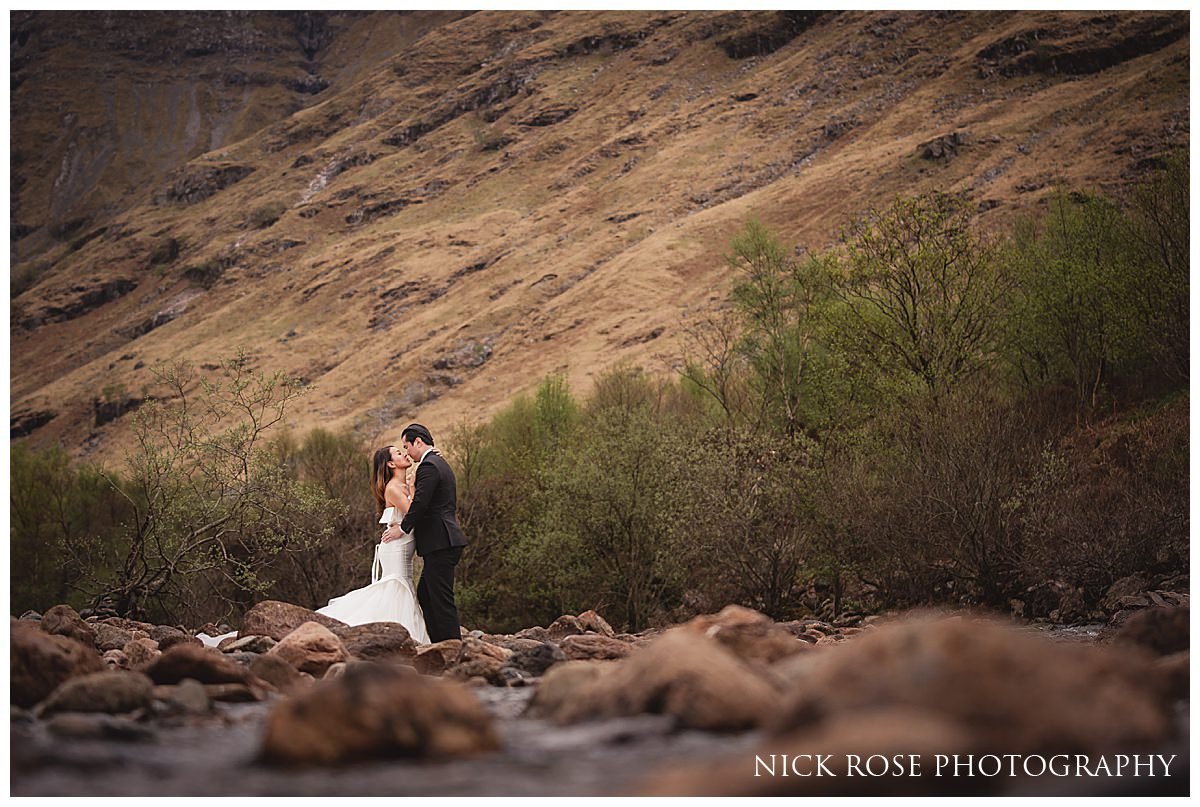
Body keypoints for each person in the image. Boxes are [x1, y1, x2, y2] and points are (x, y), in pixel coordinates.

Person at [314, 445, 430, 644]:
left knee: (402, 588)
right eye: (398, 453)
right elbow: (413, 512)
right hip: (396, 549)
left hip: (401, 545)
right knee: (396, 589)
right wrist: (412, 487)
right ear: (391, 464)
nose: (404, 454)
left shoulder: (400, 486)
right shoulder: (394, 488)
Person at [382, 423, 467, 643]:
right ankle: (440, 643)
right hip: (441, 541)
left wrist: (402, 528)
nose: (407, 452)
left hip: (441, 542)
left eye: (406, 446)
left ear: (418, 442)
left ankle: (452, 647)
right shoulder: (435, 462)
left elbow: (420, 504)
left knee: (440, 599)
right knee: (427, 597)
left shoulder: (429, 465)